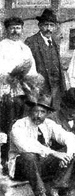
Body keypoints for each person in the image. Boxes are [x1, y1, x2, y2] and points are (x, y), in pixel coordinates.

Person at [8, 94, 75, 196]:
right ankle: (40, 194)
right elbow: (26, 145)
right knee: (29, 156)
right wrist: (53, 153)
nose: (39, 115)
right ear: (30, 111)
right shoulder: (19, 125)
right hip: (21, 168)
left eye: (42, 112)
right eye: (36, 111)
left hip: (41, 165)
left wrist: (67, 156)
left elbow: (68, 137)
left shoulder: (48, 124)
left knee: (70, 150)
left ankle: (54, 188)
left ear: (47, 113)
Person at [0, 17, 43, 169]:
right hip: (6, 93)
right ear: (7, 30)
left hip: (23, 93)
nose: (15, 31)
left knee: (22, 124)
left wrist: (28, 82)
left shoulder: (25, 48)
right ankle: (4, 158)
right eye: (12, 28)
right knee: (7, 125)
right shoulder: (2, 46)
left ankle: (20, 158)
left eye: (18, 28)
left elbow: (33, 72)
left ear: (22, 29)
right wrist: (10, 77)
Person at [25, 9, 66, 110]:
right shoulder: (31, 42)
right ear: (39, 26)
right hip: (40, 90)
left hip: (55, 91)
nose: (49, 29)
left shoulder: (55, 42)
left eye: (51, 25)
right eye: (46, 25)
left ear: (55, 27)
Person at [48, 88, 75, 158]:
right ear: (63, 107)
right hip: (59, 158)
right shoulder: (51, 119)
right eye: (70, 113)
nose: (73, 115)